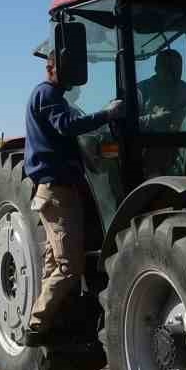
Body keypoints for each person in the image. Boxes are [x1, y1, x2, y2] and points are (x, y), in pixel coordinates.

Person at [20, 48, 122, 346]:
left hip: (59, 190)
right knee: (68, 268)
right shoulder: (47, 95)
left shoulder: (53, 97)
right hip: (57, 191)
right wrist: (107, 115)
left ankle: (54, 327)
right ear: (52, 67)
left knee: (55, 265)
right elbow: (66, 126)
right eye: (70, 68)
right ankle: (36, 327)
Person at [136, 49, 186, 131]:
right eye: (167, 67)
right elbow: (127, 124)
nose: (172, 72)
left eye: (176, 68)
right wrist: (153, 119)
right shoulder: (141, 90)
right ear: (156, 69)